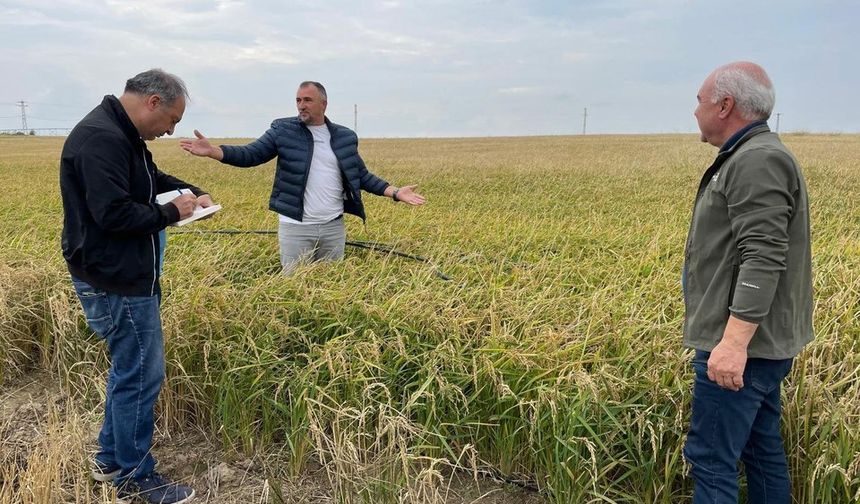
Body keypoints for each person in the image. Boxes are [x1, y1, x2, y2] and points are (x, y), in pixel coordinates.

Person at [60, 68, 214, 504]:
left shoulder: (121, 134)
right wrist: (173, 214)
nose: (170, 130)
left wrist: (191, 192)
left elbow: (149, 181)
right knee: (142, 374)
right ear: (153, 102)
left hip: (120, 273)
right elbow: (114, 215)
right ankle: (132, 475)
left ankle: (111, 460)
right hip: (117, 279)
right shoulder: (103, 138)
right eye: (173, 120)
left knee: (131, 369)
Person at [682, 61, 813, 503]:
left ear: (725, 105)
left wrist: (734, 343)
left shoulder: (757, 160)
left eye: (699, 100)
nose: (694, 109)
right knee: (760, 450)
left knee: (712, 458)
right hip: (757, 344)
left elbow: (763, 256)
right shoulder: (753, 155)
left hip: (744, 346)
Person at [179, 81, 426, 273]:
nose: (301, 105)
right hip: (295, 228)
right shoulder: (283, 130)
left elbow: (360, 175)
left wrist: (395, 192)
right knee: (295, 288)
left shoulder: (344, 136)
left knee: (331, 287)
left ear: (323, 104)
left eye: (307, 100)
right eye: (298, 100)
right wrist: (214, 151)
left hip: (333, 228)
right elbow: (251, 154)